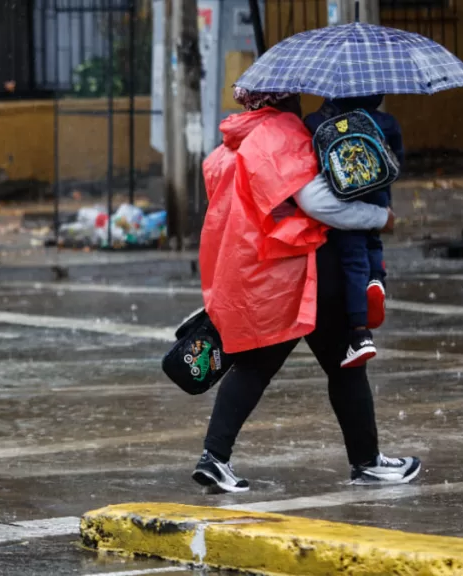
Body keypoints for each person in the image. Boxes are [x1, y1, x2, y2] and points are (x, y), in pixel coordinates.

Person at [192, 88, 421, 493]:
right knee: (344, 365)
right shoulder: (280, 133)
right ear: (284, 98)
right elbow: (316, 203)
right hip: (296, 271)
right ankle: (366, 462)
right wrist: (378, 216)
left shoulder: (236, 139)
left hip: (259, 269)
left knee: (256, 366)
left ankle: (215, 457)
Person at [304, 95, 405, 368]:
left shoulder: (317, 122)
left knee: (352, 260)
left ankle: (360, 331)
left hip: (344, 199)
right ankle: (377, 280)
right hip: (378, 197)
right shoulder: (387, 122)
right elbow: (397, 162)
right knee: (373, 244)